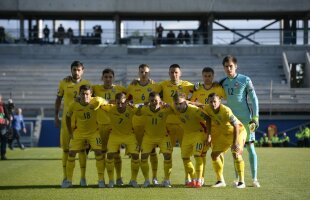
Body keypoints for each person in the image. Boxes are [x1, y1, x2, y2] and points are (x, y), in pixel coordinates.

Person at [220, 55, 260, 187]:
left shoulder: (245, 79)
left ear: (235, 66)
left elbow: (254, 99)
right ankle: (237, 178)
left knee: (251, 148)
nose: (228, 68)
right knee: (235, 149)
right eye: (226, 66)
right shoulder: (222, 82)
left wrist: (255, 117)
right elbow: (209, 90)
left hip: (247, 120)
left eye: (231, 66)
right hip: (232, 121)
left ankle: (254, 179)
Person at [55, 61, 92, 187]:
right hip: (67, 122)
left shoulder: (87, 84)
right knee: (66, 150)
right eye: (74, 69)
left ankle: (83, 178)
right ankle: (66, 178)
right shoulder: (64, 82)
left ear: (83, 70)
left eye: (78, 70)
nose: (76, 72)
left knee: (82, 150)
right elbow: (58, 99)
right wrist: (56, 116)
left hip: (82, 122)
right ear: (71, 70)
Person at [62, 85, 105, 188]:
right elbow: (67, 117)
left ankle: (101, 180)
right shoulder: (74, 104)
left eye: (87, 94)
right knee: (71, 153)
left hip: (94, 132)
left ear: (91, 95)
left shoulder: (95, 101)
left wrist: (97, 100)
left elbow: (105, 101)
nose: (85, 96)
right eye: (82, 94)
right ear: (79, 94)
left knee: (99, 152)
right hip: (79, 132)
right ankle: (68, 181)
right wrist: (70, 132)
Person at [189, 67, 225, 185]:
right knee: (202, 153)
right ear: (202, 76)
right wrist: (200, 105)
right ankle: (201, 178)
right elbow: (191, 102)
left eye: (209, 76)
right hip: (203, 125)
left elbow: (224, 100)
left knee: (218, 152)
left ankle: (220, 178)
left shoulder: (218, 88)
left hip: (217, 125)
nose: (207, 78)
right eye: (205, 76)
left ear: (213, 76)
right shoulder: (198, 89)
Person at [158, 64, 193, 185]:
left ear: (180, 73)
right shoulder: (163, 85)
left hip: (184, 125)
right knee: (167, 153)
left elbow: (202, 90)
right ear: (169, 73)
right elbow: (152, 93)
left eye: (176, 72)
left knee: (186, 153)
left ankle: (188, 178)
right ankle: (167, 179)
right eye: (172, 72)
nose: (174, 74)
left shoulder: (187, 85)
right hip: (168, 125)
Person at [203, 93, 247, 188]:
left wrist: (235, 143)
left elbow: (235, 126)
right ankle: (220, 181)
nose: (213, 103)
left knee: (236, 154)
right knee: (214, 155)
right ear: (208, 102)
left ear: (219, 101)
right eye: (211, 102)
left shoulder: (226, 111)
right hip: (225, 135)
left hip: (238, 132)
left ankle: (242, 182)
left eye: (215, 101)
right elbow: (208, 119)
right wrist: (209, 135)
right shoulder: (207, 108)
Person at [127, 64, 161, 185]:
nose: (144, 74)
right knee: (135, 152)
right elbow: (126, 101)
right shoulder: (132, 85)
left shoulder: (155, 86)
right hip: (136, 122)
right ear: (138, 73)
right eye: (141, 72)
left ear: (149, 73)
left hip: (149, 123)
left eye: (146, 72)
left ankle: (154, 178)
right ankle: (134, 179)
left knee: (151, 151)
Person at [92, 68, 127, 186]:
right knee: (101, 153)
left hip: (114, 127)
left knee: (115, 154)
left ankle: (118, 178)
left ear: (113, 78)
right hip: (100, 126)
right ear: (102, 78)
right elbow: (84, 93)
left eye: (110, 77)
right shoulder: (95, 89)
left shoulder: (120, 89)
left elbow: (130, 99)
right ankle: (101, 179)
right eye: (105, 77)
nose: (108, 79)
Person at [98, 93, 140, 188]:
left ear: (126, 102)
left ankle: (133, 180)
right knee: (109, 155)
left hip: (129, 135)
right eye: (118, 103)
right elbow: (98, 102)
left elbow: (140, 112)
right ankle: (111, 181)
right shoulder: (110, 108)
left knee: (136, 155)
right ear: (115, 102)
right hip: (115, 136)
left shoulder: (131, 109)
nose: (120, 105)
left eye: (122, 103)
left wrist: (134, 106)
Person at [173, 92, 210, 188]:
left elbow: (208, 119)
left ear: (185, 102)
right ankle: (193, 179)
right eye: (176, 104)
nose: (178, 106)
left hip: (199, 133)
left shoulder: (194, 110)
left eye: (180, 103)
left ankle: (199, 180)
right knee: (185, 158)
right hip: (187, 135)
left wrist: (209, 135)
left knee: (197, 156)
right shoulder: (174, 108)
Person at [137, 92, 173, 187]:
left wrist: (169, 105)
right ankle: (147, 180)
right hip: (148, 137)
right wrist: (141, 104)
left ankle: (167, 180)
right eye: (152, 100)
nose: (154, 102)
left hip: (163, 137)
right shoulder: (144, 109)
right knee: (143, 157)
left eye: (156, 100)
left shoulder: (165, 109)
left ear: (160, 100)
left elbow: (177, 108)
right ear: (149, 101)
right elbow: (136, 111)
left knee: (167, 156)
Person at [0, 94, 10, 160]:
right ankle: (3, 155)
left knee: (4, 139)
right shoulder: (3, 105)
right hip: (2, 125)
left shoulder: (3, 105)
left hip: (2, 125)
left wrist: (7, 120)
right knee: (4, 139)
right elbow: (7, 115)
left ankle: (3, 154)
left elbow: (7, 115)